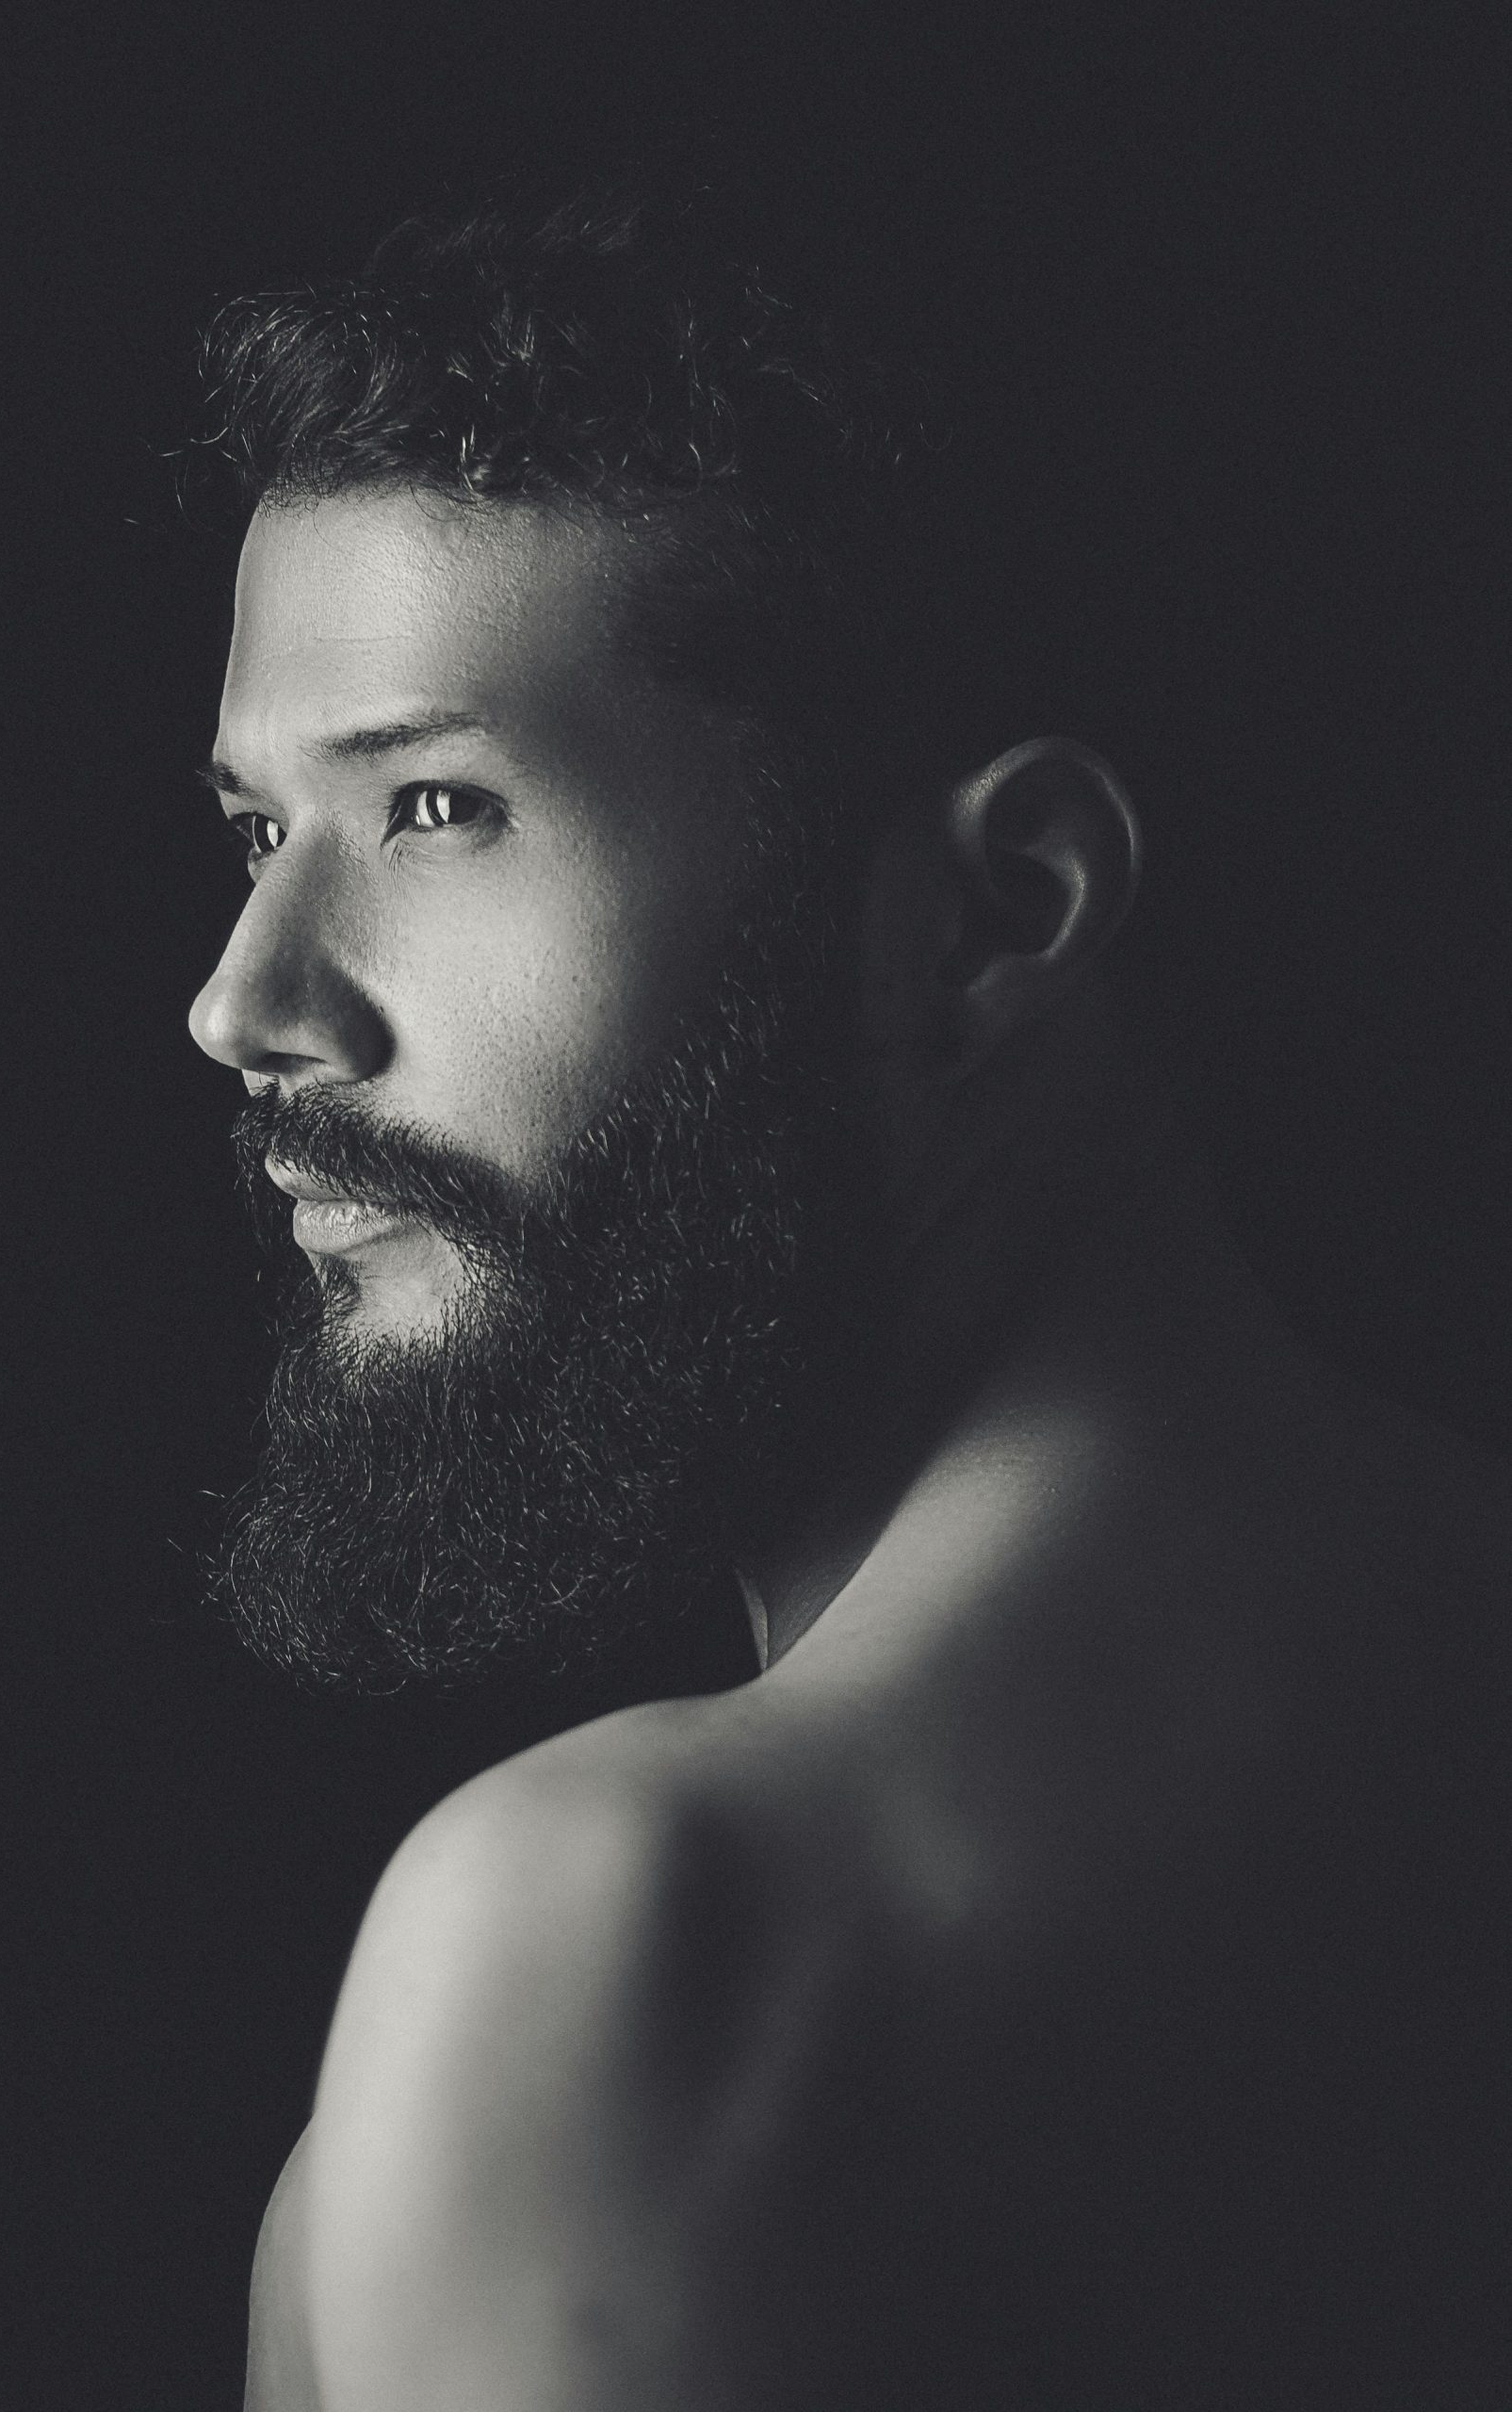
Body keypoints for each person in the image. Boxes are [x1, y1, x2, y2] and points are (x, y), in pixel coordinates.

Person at [184, 186, 1509, 2409]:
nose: (246, 1001)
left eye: (431, 801)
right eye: (252, 830)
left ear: (998, 906)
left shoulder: (627, 1944)